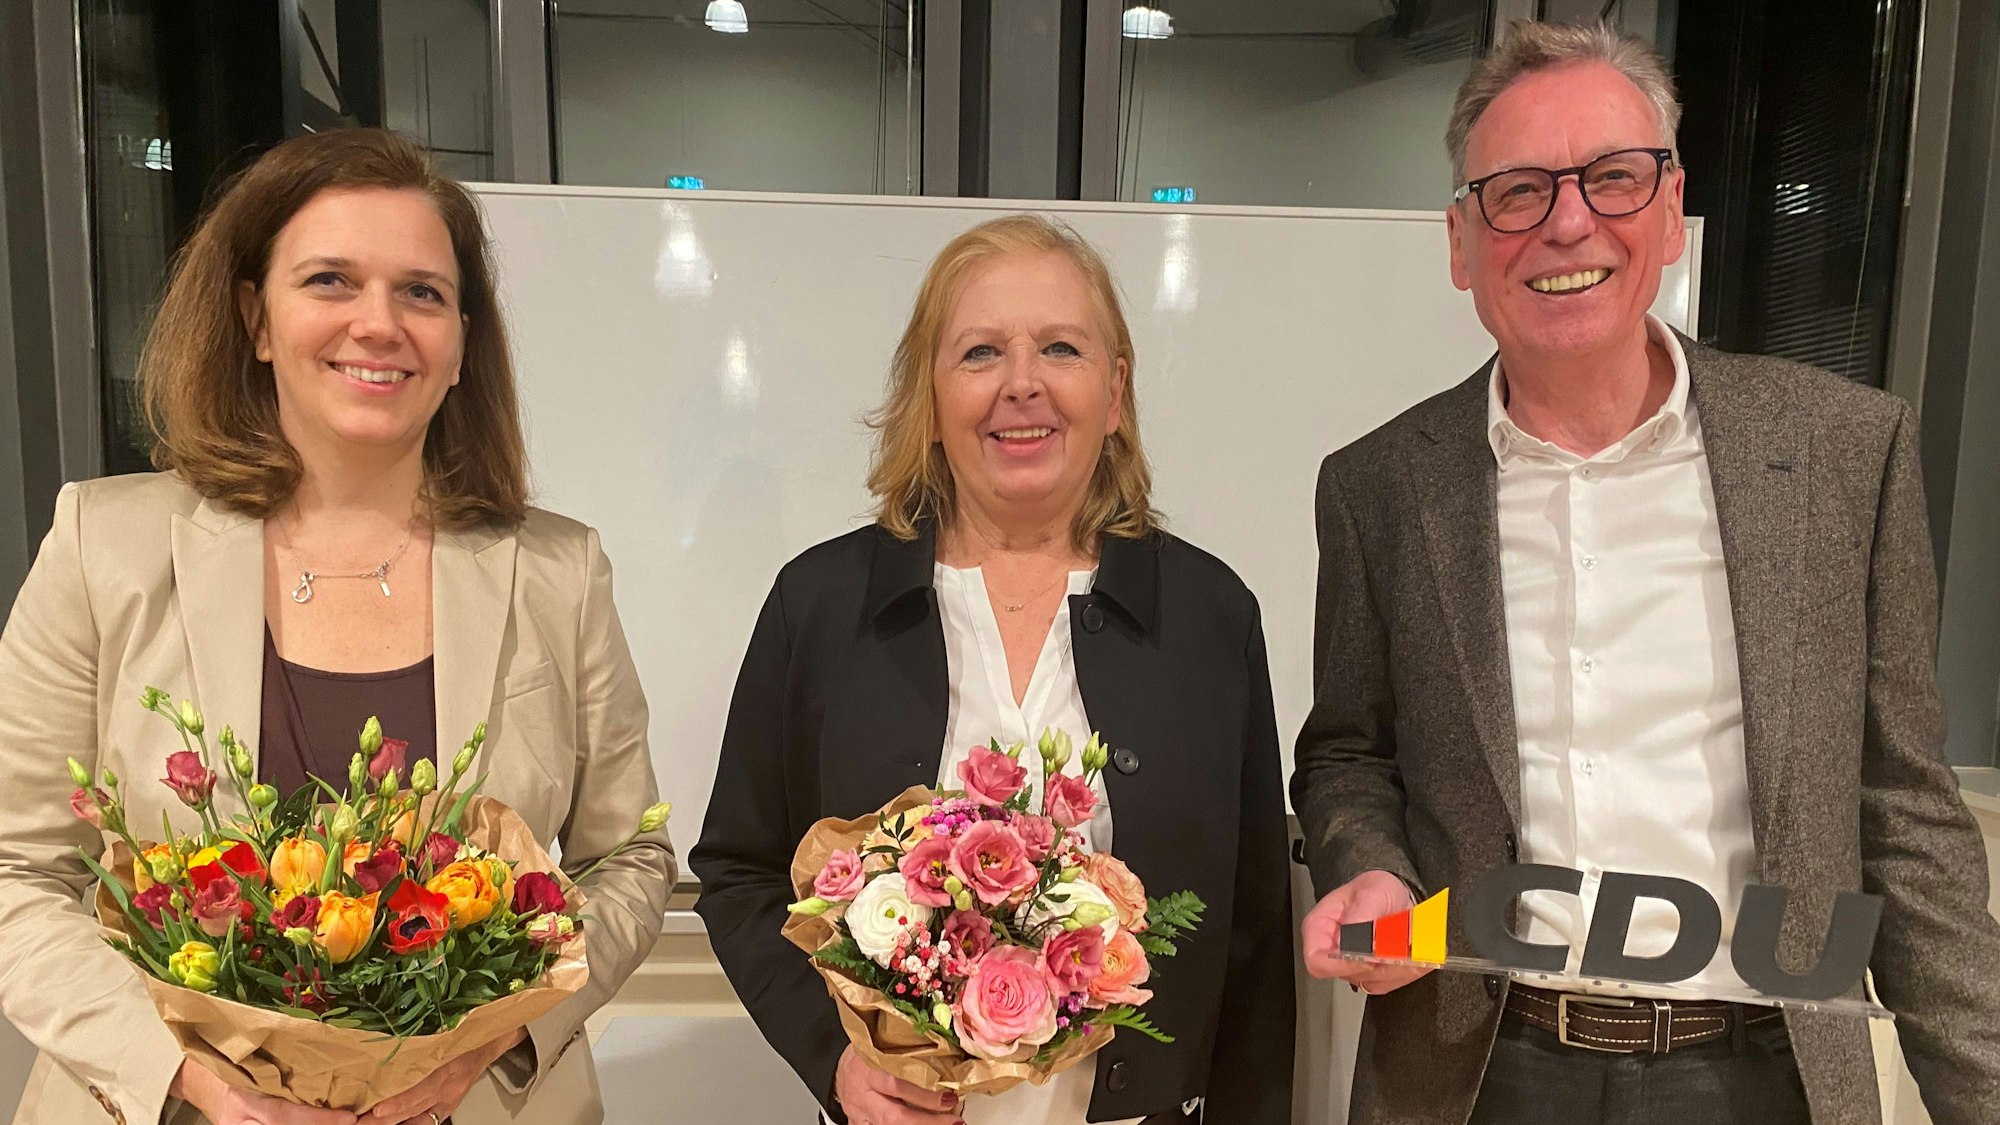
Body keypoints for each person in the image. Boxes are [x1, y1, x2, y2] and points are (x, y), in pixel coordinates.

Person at [1291, 20, 2000, 1125]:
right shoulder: (1380, 486)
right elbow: (1347, 751)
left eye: (1611, 179)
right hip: (1478, 1068)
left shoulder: (1838, 453)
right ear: (1459, 242)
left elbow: (1901, 803)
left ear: (1670, 211)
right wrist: (1369, 864)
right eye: (1517, 192)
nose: (1567, 221)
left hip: (1762, 1071)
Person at [0, 129, 675, 1125]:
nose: (379, 323)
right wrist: (188, 1077)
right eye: (329, 281)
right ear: (256, 320)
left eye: (421, 293)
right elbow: (18, 870)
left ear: (459, 344)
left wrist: (491, 1040)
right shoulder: (104, 549)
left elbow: (629, 859)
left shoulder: (557, 572)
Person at [691, 214, 1294, 1125]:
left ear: (1115, 390)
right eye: (980, 353)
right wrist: (836, 1065)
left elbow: (1251, 933)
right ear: (929, 396)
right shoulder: (818, 605)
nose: (1023, 384)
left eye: (1061, 347)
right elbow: (739, 873)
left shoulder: (1211, 617)